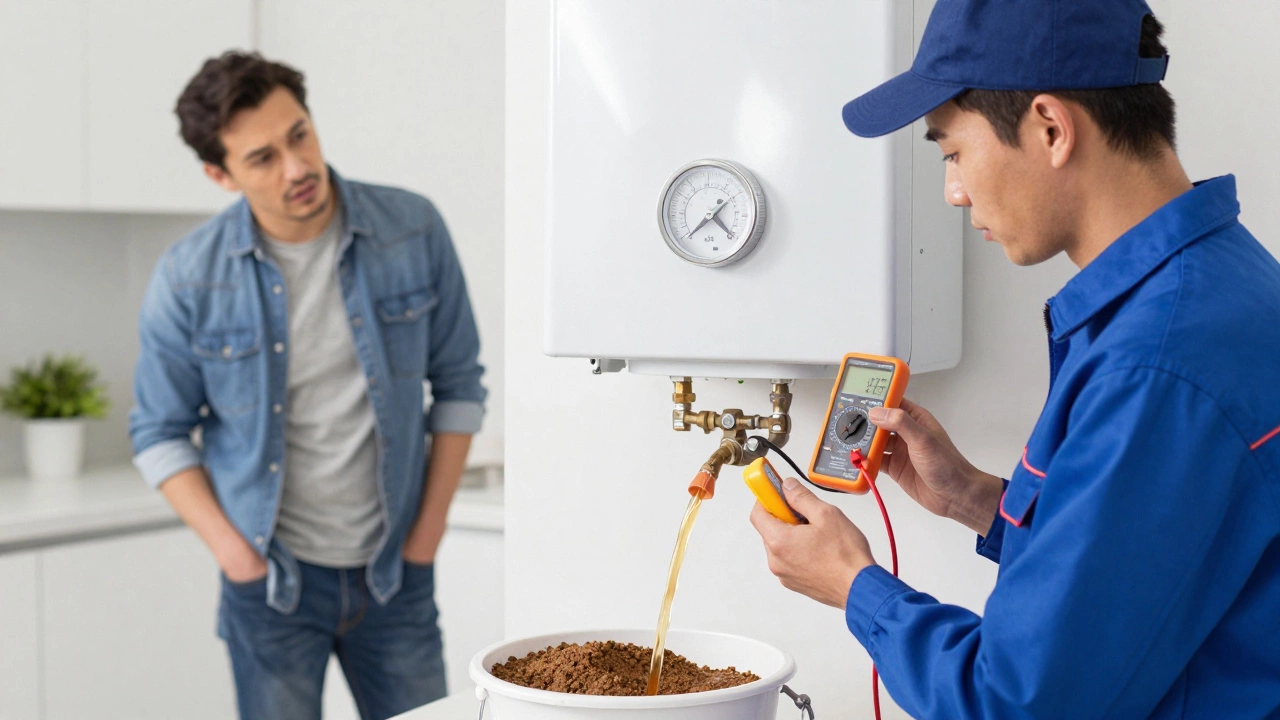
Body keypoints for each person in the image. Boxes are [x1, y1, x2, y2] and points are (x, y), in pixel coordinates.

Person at [751, 1, 1280, 717]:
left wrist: (854, 584)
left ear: (1051, 128)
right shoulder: (1219, 285)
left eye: (952, 152)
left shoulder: (1154, 365)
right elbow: (1157, 564)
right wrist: (976, 500)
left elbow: (1020, 704)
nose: (954, 192)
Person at [128, 52, 487, 720]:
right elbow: (157, 431)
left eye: (299, 134)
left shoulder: (412, 229)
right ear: (219, 174)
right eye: (262, 157)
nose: (297, 168)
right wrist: (236, 556)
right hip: (269, 588)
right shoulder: (188, 276)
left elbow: (459, 385)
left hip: (396, 575)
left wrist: (426, 535)